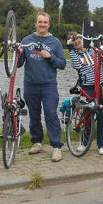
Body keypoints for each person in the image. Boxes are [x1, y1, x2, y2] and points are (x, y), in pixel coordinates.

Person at [18, 12, 67, 162]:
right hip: (30, 84)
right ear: (36, 23)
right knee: (34, 115)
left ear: (49, 25)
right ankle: (37, 142)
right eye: (40, 22)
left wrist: (50, 57)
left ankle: (56, 147)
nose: (42, 25)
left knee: (51, 114)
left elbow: (62, 64)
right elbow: (19, 64)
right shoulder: (26, 40)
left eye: (45, 22)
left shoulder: (55, 42)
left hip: (48, 85)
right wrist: (17, 54)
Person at [66, 31, 103, 155]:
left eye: (78, 38)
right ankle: (84, 143)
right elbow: (77, 65)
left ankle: (101, 145)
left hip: (101, 85)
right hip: (87, 87)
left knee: (102, 116)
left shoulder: (93, 50)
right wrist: (70, 48)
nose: (77, 41)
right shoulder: (74, 55)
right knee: (87, 115)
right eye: (73, 40)